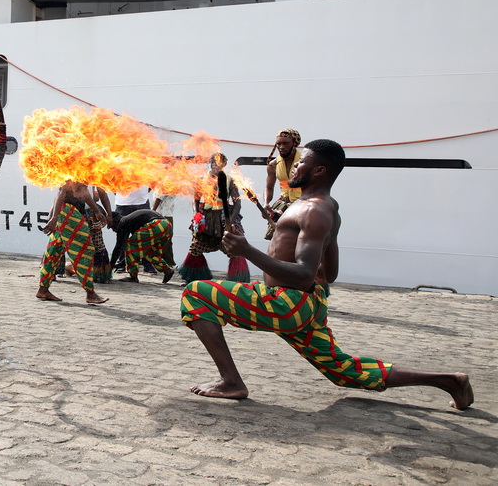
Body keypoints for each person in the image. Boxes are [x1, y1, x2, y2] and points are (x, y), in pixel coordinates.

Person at [180, 139, 474, 409]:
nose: (294, 165)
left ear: (319, 170)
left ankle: (231, 383)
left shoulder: (312, 211)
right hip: (307, 305)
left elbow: (305, 274)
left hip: (288, 303)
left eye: (301, 162)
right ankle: (449, 381)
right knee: (344, 370)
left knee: (195, 293)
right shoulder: (327, 208)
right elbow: (329, 273)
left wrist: (248, 251)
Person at [36, 180, 109, 304]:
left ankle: (43, 289)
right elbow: (63, 191)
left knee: (54, 250)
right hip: (69, 213)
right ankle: (90, 293)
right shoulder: (76, 168)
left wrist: (54, 215)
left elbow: (80, 192)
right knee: (84, 249)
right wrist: (53, 217)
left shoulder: (78, 168)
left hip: (65, 212)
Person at [180, 153, 249, 283]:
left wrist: (231, 220)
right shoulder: (201, 179)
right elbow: (196, 199)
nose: (215, 165)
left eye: (219, 163)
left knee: (234, 248)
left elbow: (237, 203)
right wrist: (197, 215)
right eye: (213, 162)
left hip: (224, 216)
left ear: (223, 165)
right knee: (196, 246)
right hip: (206, 216)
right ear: (210, 163)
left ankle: (238, 280)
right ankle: (194, 277)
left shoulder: (230, 180)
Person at [110, 209, 175, 283]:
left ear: (115, 221)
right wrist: (122, 263)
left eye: (111, 226)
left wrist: (110, 266)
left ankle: (133, 276)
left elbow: (118, 247)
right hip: (166, 225)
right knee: (151, 253)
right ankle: (167, 270)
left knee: (130, 245)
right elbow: (138, 249)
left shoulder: (122, 223)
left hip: (156, 224)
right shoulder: (131, 221)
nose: (113, 230)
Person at [264, 128, 302, 239]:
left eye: (285, 143)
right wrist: (266, 202)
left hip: (302, 204)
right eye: (278, 144)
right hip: (284, 204)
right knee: (277, 238)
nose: (281, 147)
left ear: (294, 144)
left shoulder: (305, 162)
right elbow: (269, 187)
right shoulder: (273, 164)